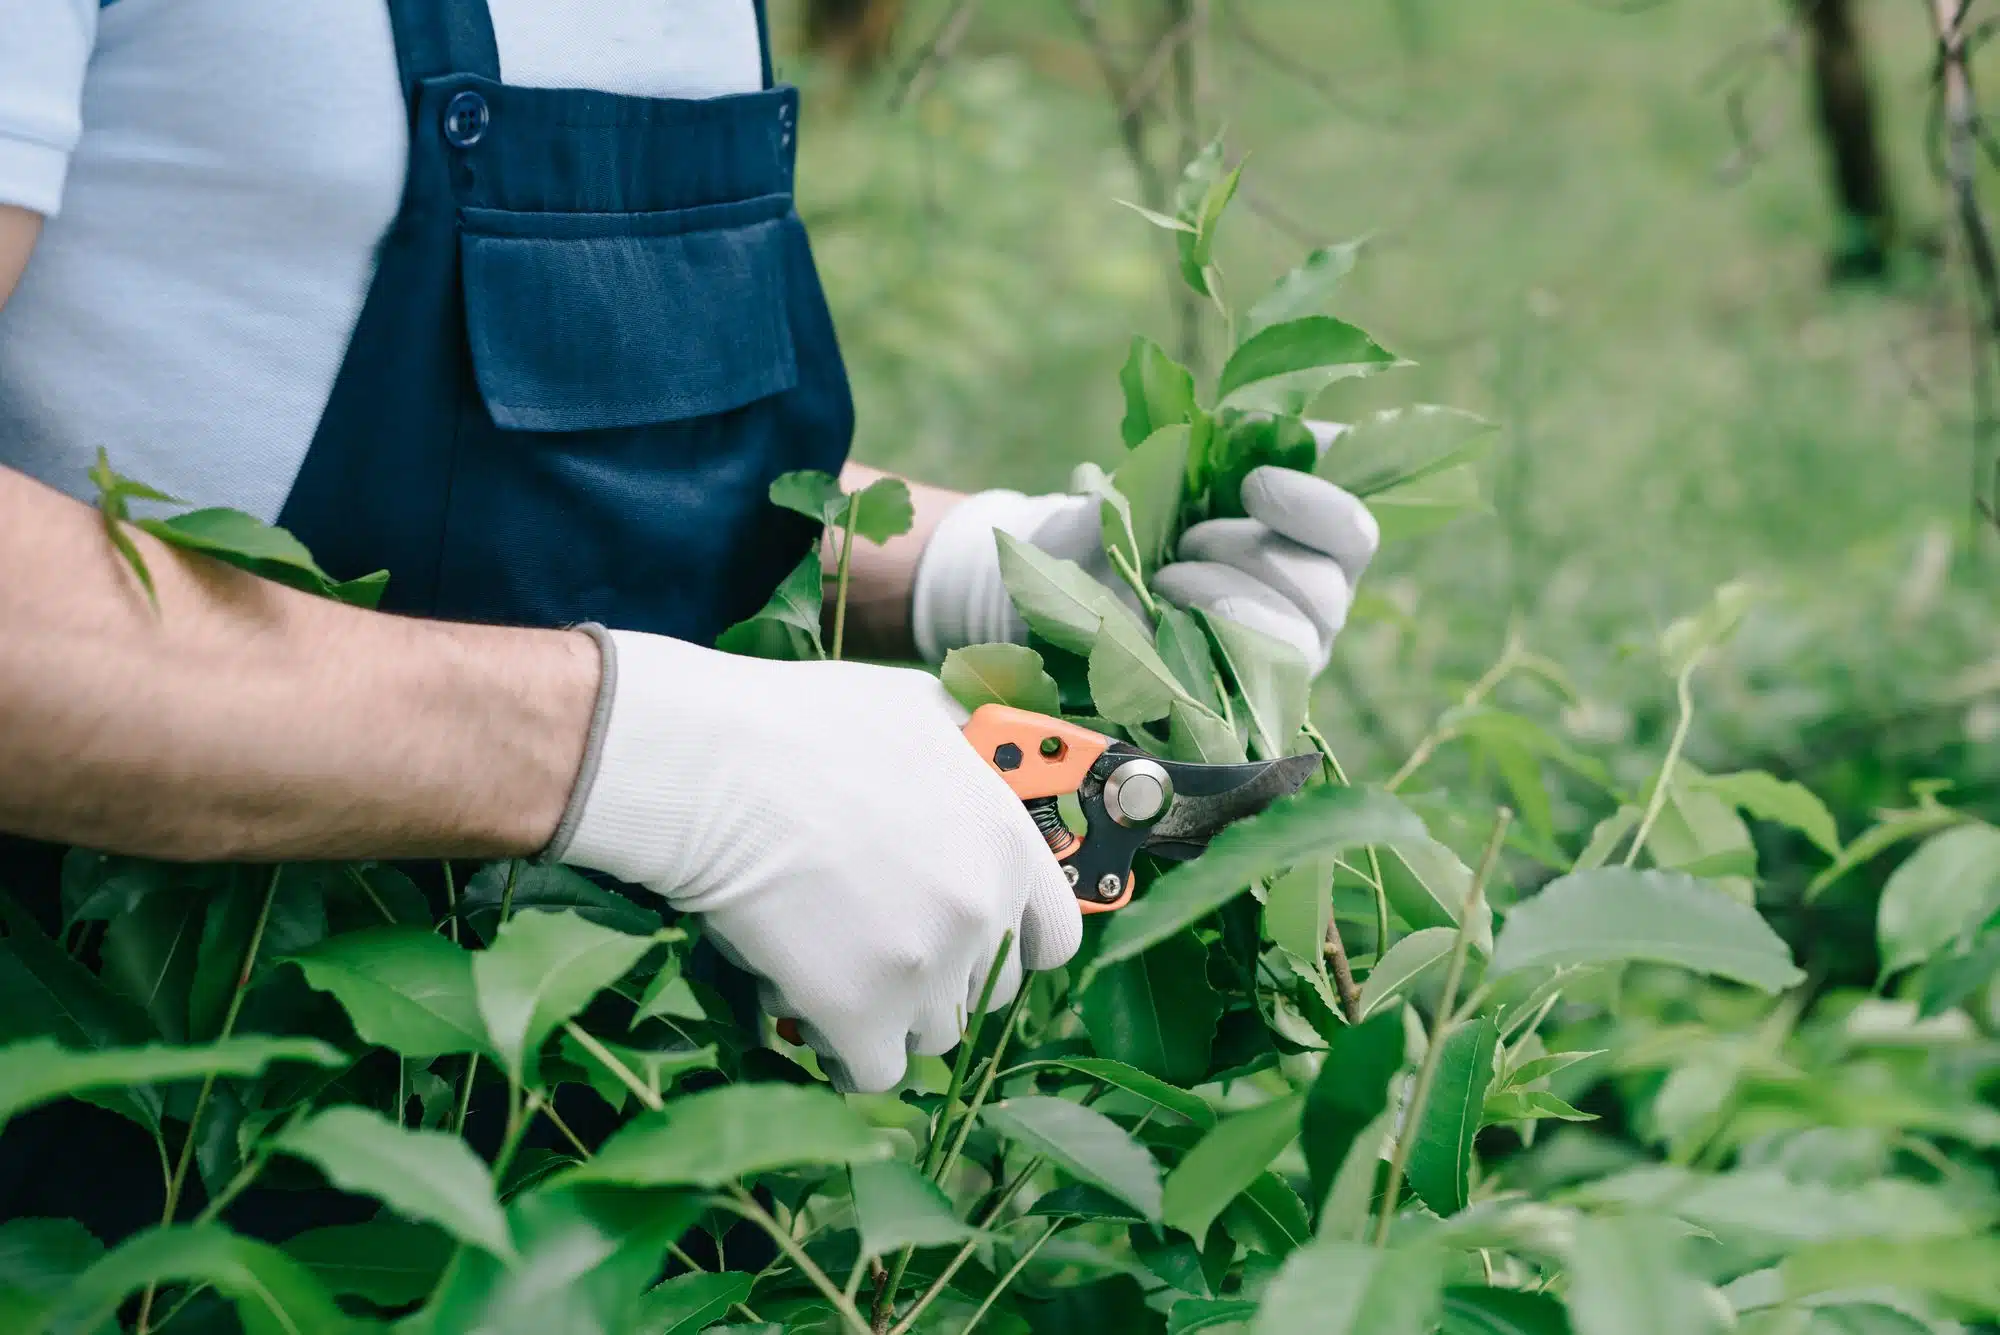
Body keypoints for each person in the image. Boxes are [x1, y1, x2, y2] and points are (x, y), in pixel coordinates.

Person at [0, 2, 1376, 1118]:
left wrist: (970, 574)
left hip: (638, 1176)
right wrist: (638, 753)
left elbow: (541, 468)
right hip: (136, 1143)